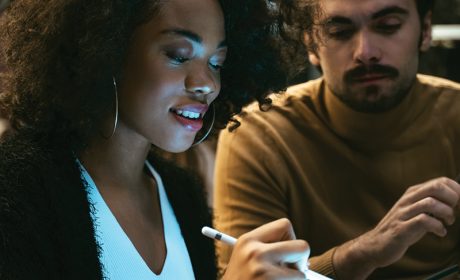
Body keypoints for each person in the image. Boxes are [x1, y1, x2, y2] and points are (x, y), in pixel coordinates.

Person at [0, 0, 311, 279]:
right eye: (178, 56)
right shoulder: (18, 189)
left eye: (216, 63)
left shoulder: (182, 194)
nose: (206, 84)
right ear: (108, 48)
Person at [214, 0, 460, 279]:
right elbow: (247, 275)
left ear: (425, 30)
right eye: (340, 32)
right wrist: (361, 254)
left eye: (388, 26)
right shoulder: (260, 135)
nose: (366, 53)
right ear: (310, 44)